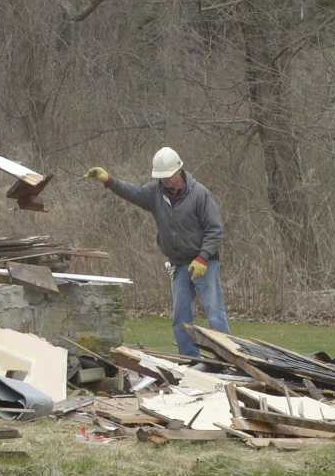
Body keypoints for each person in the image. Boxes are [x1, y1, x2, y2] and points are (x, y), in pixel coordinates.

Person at [84, 147, 227, 357]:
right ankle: (189, 359)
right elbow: (133, 192)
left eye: (168, 177)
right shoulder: (155, 193)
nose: (166, 182)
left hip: (204, 262)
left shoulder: (199, 194)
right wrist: (109, 181)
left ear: (179, 171)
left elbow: (215, 229)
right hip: (179, 263)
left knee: (214, 313)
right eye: (162, 178)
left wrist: (203, 257)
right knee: (181, 316)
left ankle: (228, 358)